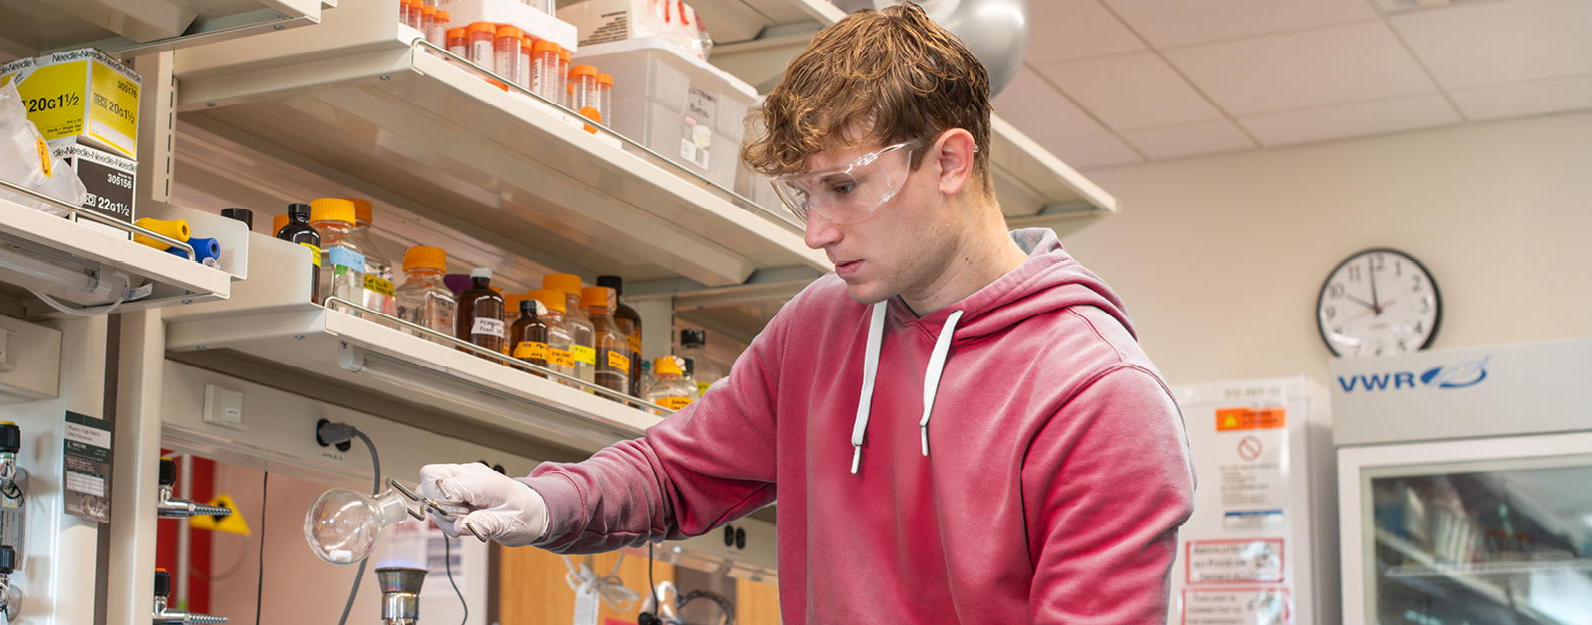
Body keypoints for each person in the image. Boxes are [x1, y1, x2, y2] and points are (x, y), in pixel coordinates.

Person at [419, 4, 1194, 622]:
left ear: (951, 161)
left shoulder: (1100, 397)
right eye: (805, 193)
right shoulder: (819, 326)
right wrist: (542, 502)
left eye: (845, 189)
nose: (816, 232)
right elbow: (670, 472)